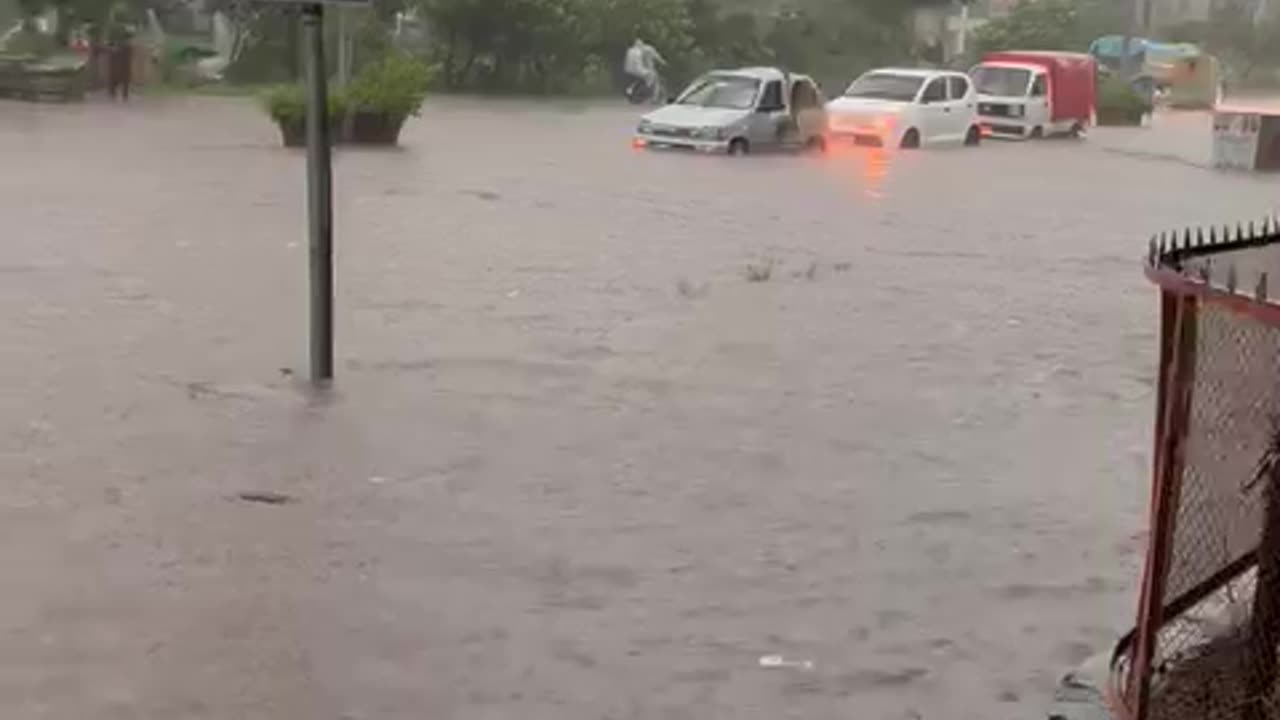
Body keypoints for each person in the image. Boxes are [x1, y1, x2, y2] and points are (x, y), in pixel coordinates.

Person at [624, 37, 666, 102]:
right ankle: (653, 98)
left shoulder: (635, 50)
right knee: (655, 82)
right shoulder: (648, 49)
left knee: (650, 82)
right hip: (647, 70)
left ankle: (650, 96)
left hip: (639, 70)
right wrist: (663, 62)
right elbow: (657, 56)